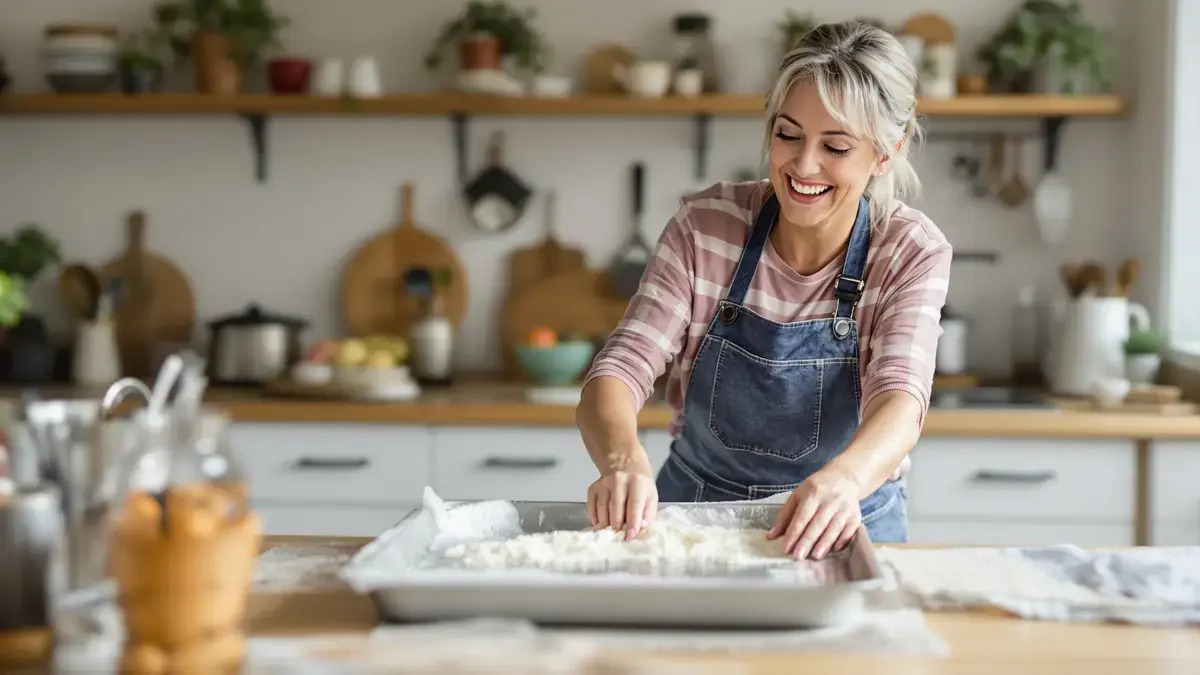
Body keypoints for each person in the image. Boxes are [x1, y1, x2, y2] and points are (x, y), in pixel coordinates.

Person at [575, 21, 952, 560]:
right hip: (695, 522)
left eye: (836, 146)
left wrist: (844, 480)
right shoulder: (706, 226)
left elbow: (900, 397)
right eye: (788, 134)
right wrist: (623, 463)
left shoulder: (909, 250)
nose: (803, 165)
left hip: (847, 525)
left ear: (887, 152)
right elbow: (619, 368)